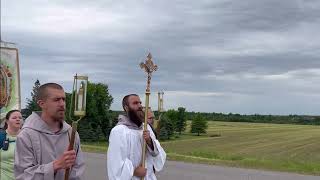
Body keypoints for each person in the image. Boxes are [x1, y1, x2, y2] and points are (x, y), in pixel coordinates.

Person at [14, 83, 85, 180]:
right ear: (42, 104)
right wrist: (55, 165)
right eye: (56, 100)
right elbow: (23, 175)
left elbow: (77, 171)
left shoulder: (71, 133)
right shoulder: (26, 135)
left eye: (63, 99)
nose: (62, 104)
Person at [107, 94, 166, 180]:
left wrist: (150, 141)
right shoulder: (119, 131)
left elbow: (158, 155)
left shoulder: (146, 127)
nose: (139, 106)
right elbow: (115, 164)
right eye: (135, 103)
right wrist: (134, 171)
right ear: (126, 108)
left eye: (140, 103)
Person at [0, 110, 22, 180]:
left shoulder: (28, 137)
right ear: (7, 121)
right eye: (14, 118)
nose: (18, 119)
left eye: (20, 118)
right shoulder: (1, 137)